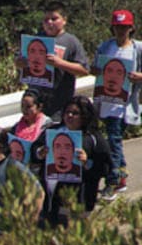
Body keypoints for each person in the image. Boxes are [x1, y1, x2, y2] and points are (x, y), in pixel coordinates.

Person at [32, 96, 110, 224]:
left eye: (75, 113)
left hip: (80, 199)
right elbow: (34, 151)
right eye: (67, 112)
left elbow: (104, 167)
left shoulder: (94, 139)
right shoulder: (52, 131)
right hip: (53, 199)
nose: (69, 115)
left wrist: (87, 162)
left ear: (84, 116)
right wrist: (40, 153)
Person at [95, 10, 142, 200]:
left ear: (131, 28)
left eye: (124, 27)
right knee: (114, 142)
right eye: (117, 27)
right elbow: (94, 68)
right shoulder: (105, 47)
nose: (121, 31)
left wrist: (139, 76)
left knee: (113, 141)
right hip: (105, 100)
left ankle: (113, 182)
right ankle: (121, 178)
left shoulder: (138, 49)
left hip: (124, 104)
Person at [15, 2, 88, 121]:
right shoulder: (35, 39)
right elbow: (17, 62)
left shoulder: (70, 41)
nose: (49, 23)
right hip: (36, 102)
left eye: (54, 19)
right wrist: (22, 62)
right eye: (46, 20)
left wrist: (59, 63)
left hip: (59, 103)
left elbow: (84, 70)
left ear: (64, 20)